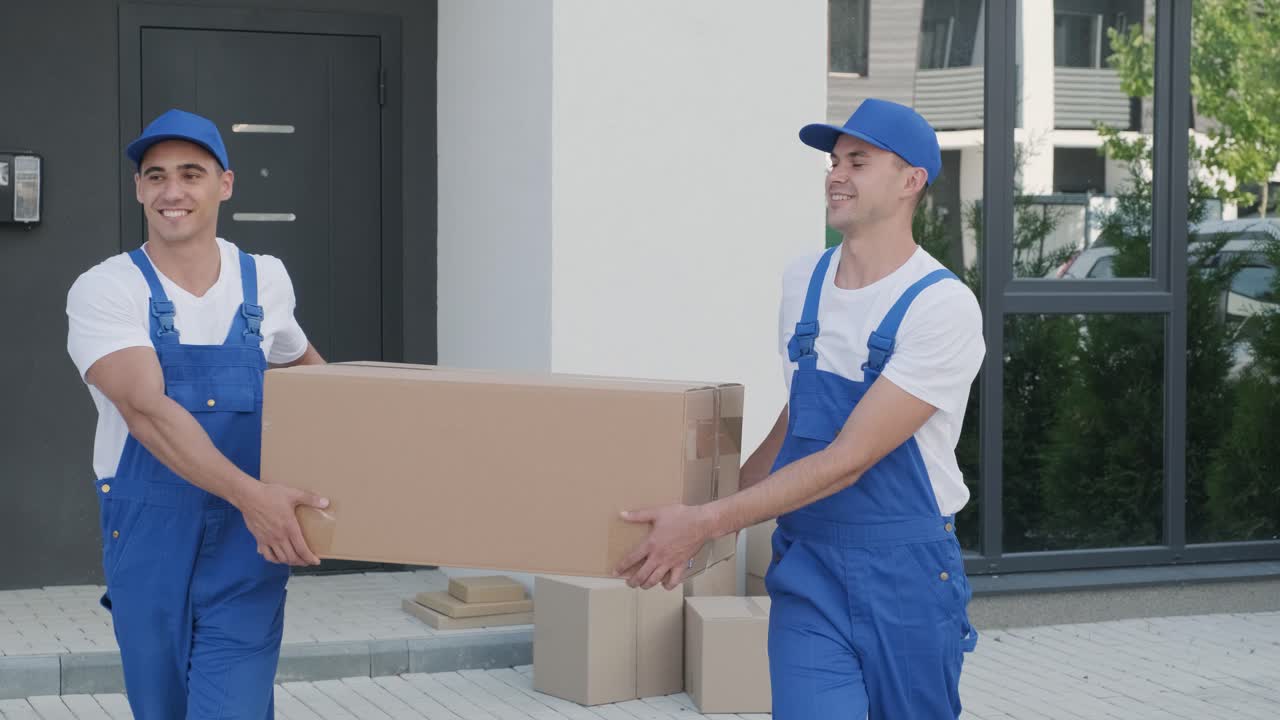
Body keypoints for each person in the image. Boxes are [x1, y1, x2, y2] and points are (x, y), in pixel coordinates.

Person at [617, 98, 985, 718]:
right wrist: (696, 517)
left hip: (907, 574)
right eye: (834, 160)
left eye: (859, 161)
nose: (836, 174)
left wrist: (707, 523)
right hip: (809, 568)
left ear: (911, 182)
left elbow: (849, 459)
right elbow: (800, 421)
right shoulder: (802, 283)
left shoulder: (940, 306)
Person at [66, 108, 330, 719]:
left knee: (233, 706)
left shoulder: (264, 280)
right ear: (139, 190)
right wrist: (251, 495)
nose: (173, 191)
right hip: (150, 529)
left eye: (191, 173)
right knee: (161, 707)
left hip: (248, 539)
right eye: (155, 177)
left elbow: (309, 375)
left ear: (225, 184)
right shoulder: (107, 289)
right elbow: (146, 410)